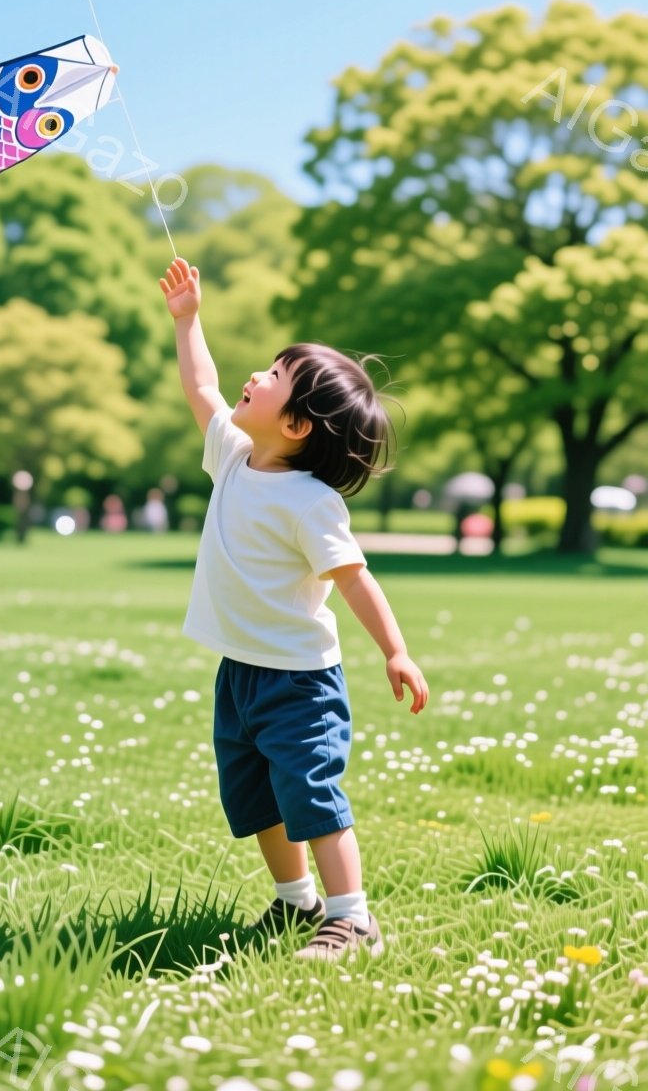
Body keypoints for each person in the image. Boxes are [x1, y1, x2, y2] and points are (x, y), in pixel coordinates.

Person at [158, 255, 428, 962]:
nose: (255, 377)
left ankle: (352, 918)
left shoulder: (311, 502)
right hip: (241, 672)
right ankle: (295, 903)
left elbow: (355, 579)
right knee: (257, 801)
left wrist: (394, 650)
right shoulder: (235, 454)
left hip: (299, 683)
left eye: (273, 377)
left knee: (311, 795)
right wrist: (188, 321)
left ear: (301, 425)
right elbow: (202, 385)